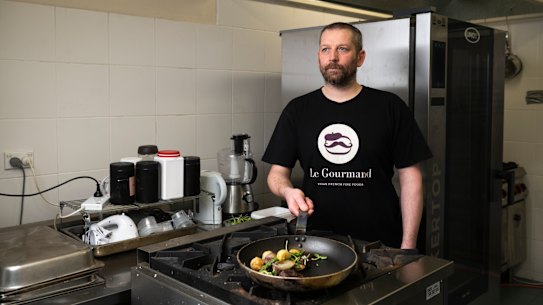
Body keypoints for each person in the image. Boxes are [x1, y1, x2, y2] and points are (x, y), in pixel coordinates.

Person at [262, 22, 432, 249]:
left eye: (342, 49)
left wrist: (408, 246)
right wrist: (288, 190)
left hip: (380, 243)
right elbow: (276, 174)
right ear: (318, 57)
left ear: (360, 57)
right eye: (326, 49)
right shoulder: (298, 110)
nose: (332, 57)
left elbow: (411, 180)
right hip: (317, 242)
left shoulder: (390, 107)